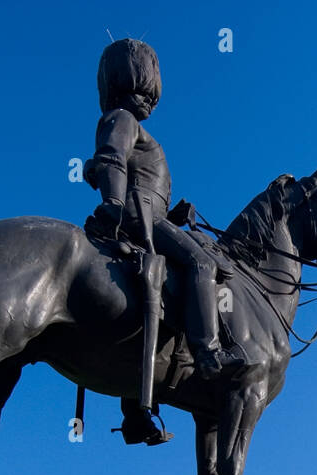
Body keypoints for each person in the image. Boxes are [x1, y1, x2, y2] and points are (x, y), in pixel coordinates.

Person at [84, 38, 247, 445]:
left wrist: (175, 215)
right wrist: (115, 202)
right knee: (204, 264)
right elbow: (110, 159)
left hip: (150, 216)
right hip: (139, 218)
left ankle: (139, 409)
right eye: (147, 91)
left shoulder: (131, 123)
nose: (152, 102)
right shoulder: (122, 120)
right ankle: (208, 354)